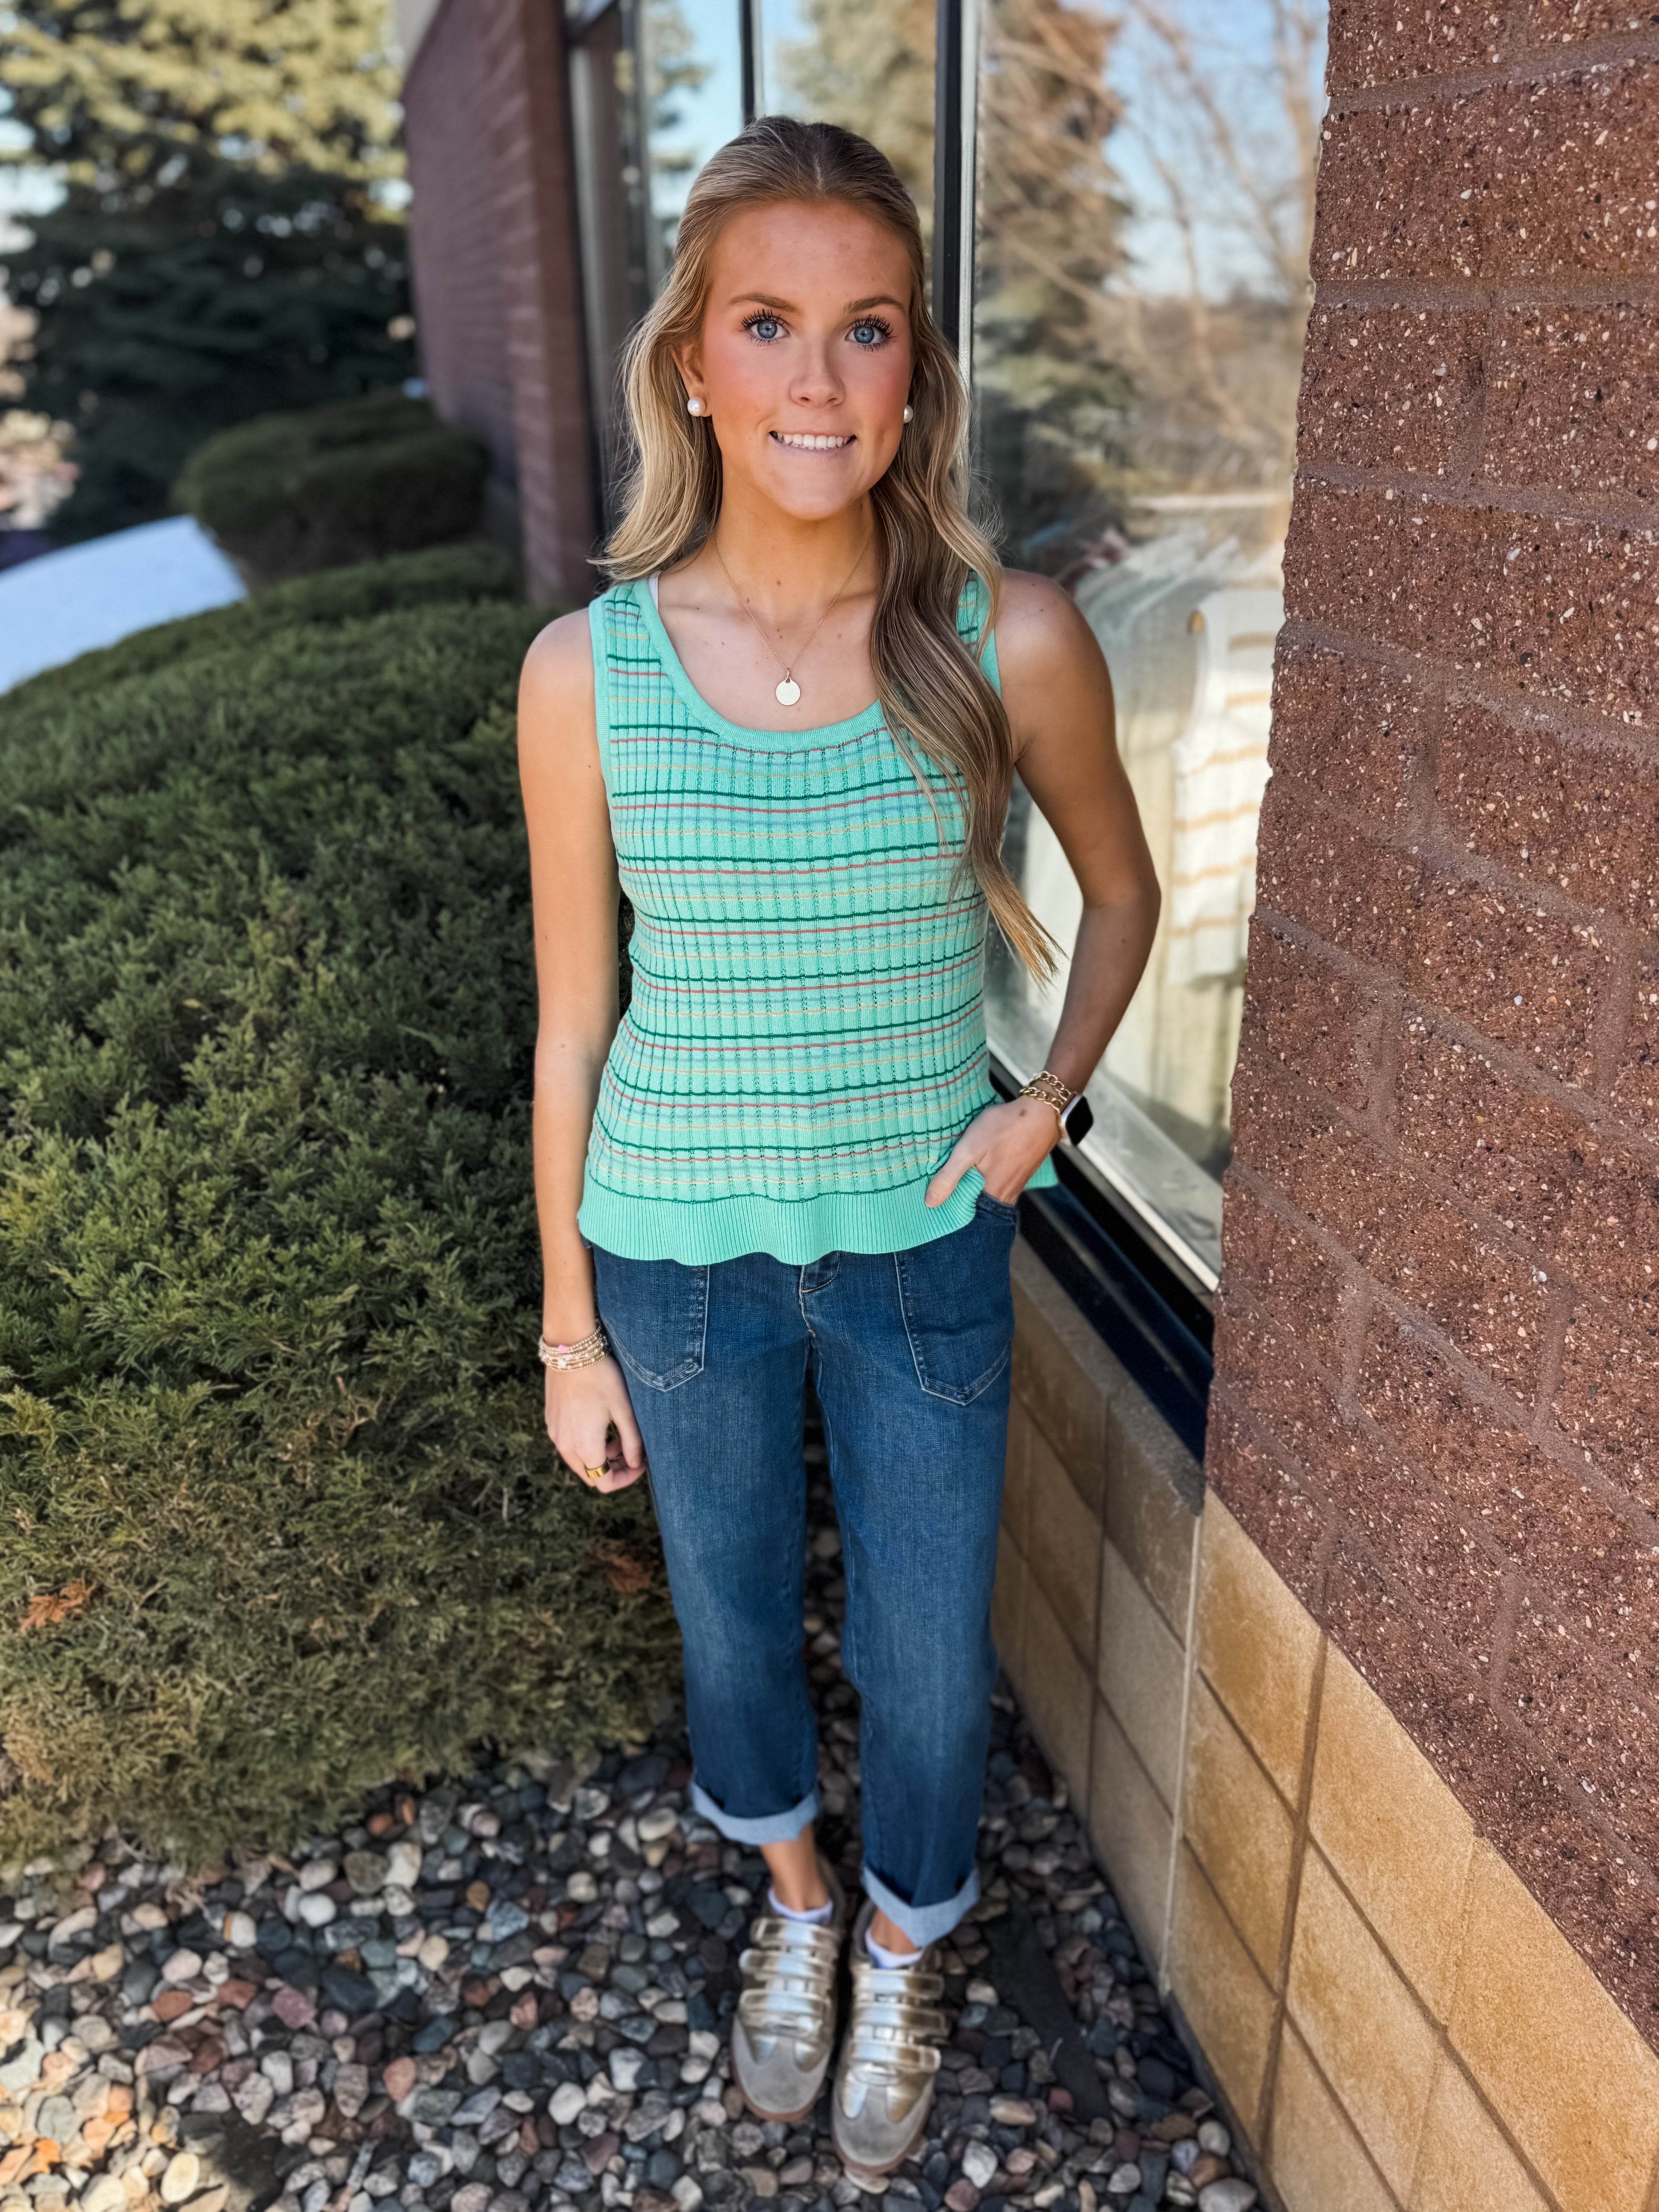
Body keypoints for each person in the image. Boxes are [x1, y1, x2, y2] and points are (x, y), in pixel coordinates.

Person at [517, 116, 1159, 2182]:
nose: (818, 378)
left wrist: (1049, 1101)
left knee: (925, 1656)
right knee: (726, 1624)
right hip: (672, 1262)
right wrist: (567, 1333)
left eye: (867, 329)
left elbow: (1122, 895)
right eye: (768, 325)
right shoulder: (587, 670)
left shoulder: (1003, 633)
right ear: (692, 364)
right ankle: (795, 1905)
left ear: (912, 372)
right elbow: (574, 1020)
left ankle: (901, 1943)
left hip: (920, 1250)